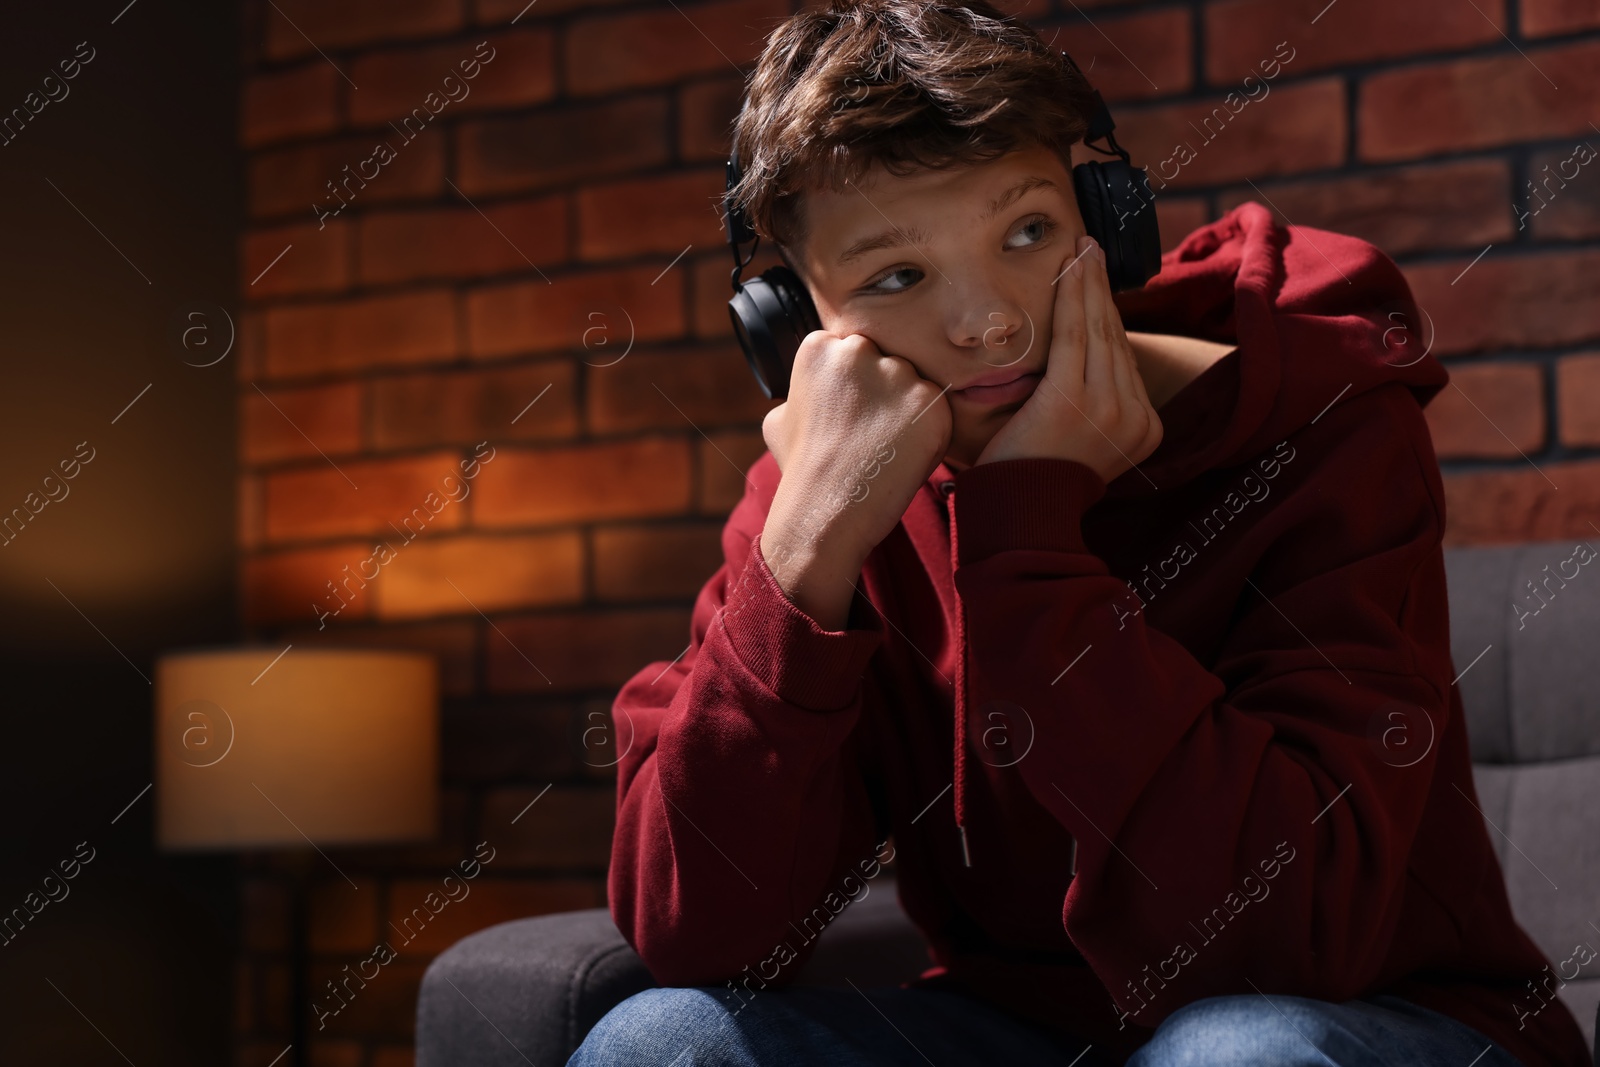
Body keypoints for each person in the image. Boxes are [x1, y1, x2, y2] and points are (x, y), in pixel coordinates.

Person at [569, 2, 1593, 1065]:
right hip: (1029, 1032)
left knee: (1236, 1053)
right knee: (662, 1039)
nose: (992, 321)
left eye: (1027, 233)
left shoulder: (1325, 430)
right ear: (794, 328)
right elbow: (699, 932)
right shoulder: (816, 492)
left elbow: (1290, 938)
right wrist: (801, 561)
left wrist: (1029, 528)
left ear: (1105, 219)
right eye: (896, 277)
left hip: (1379, 1016)